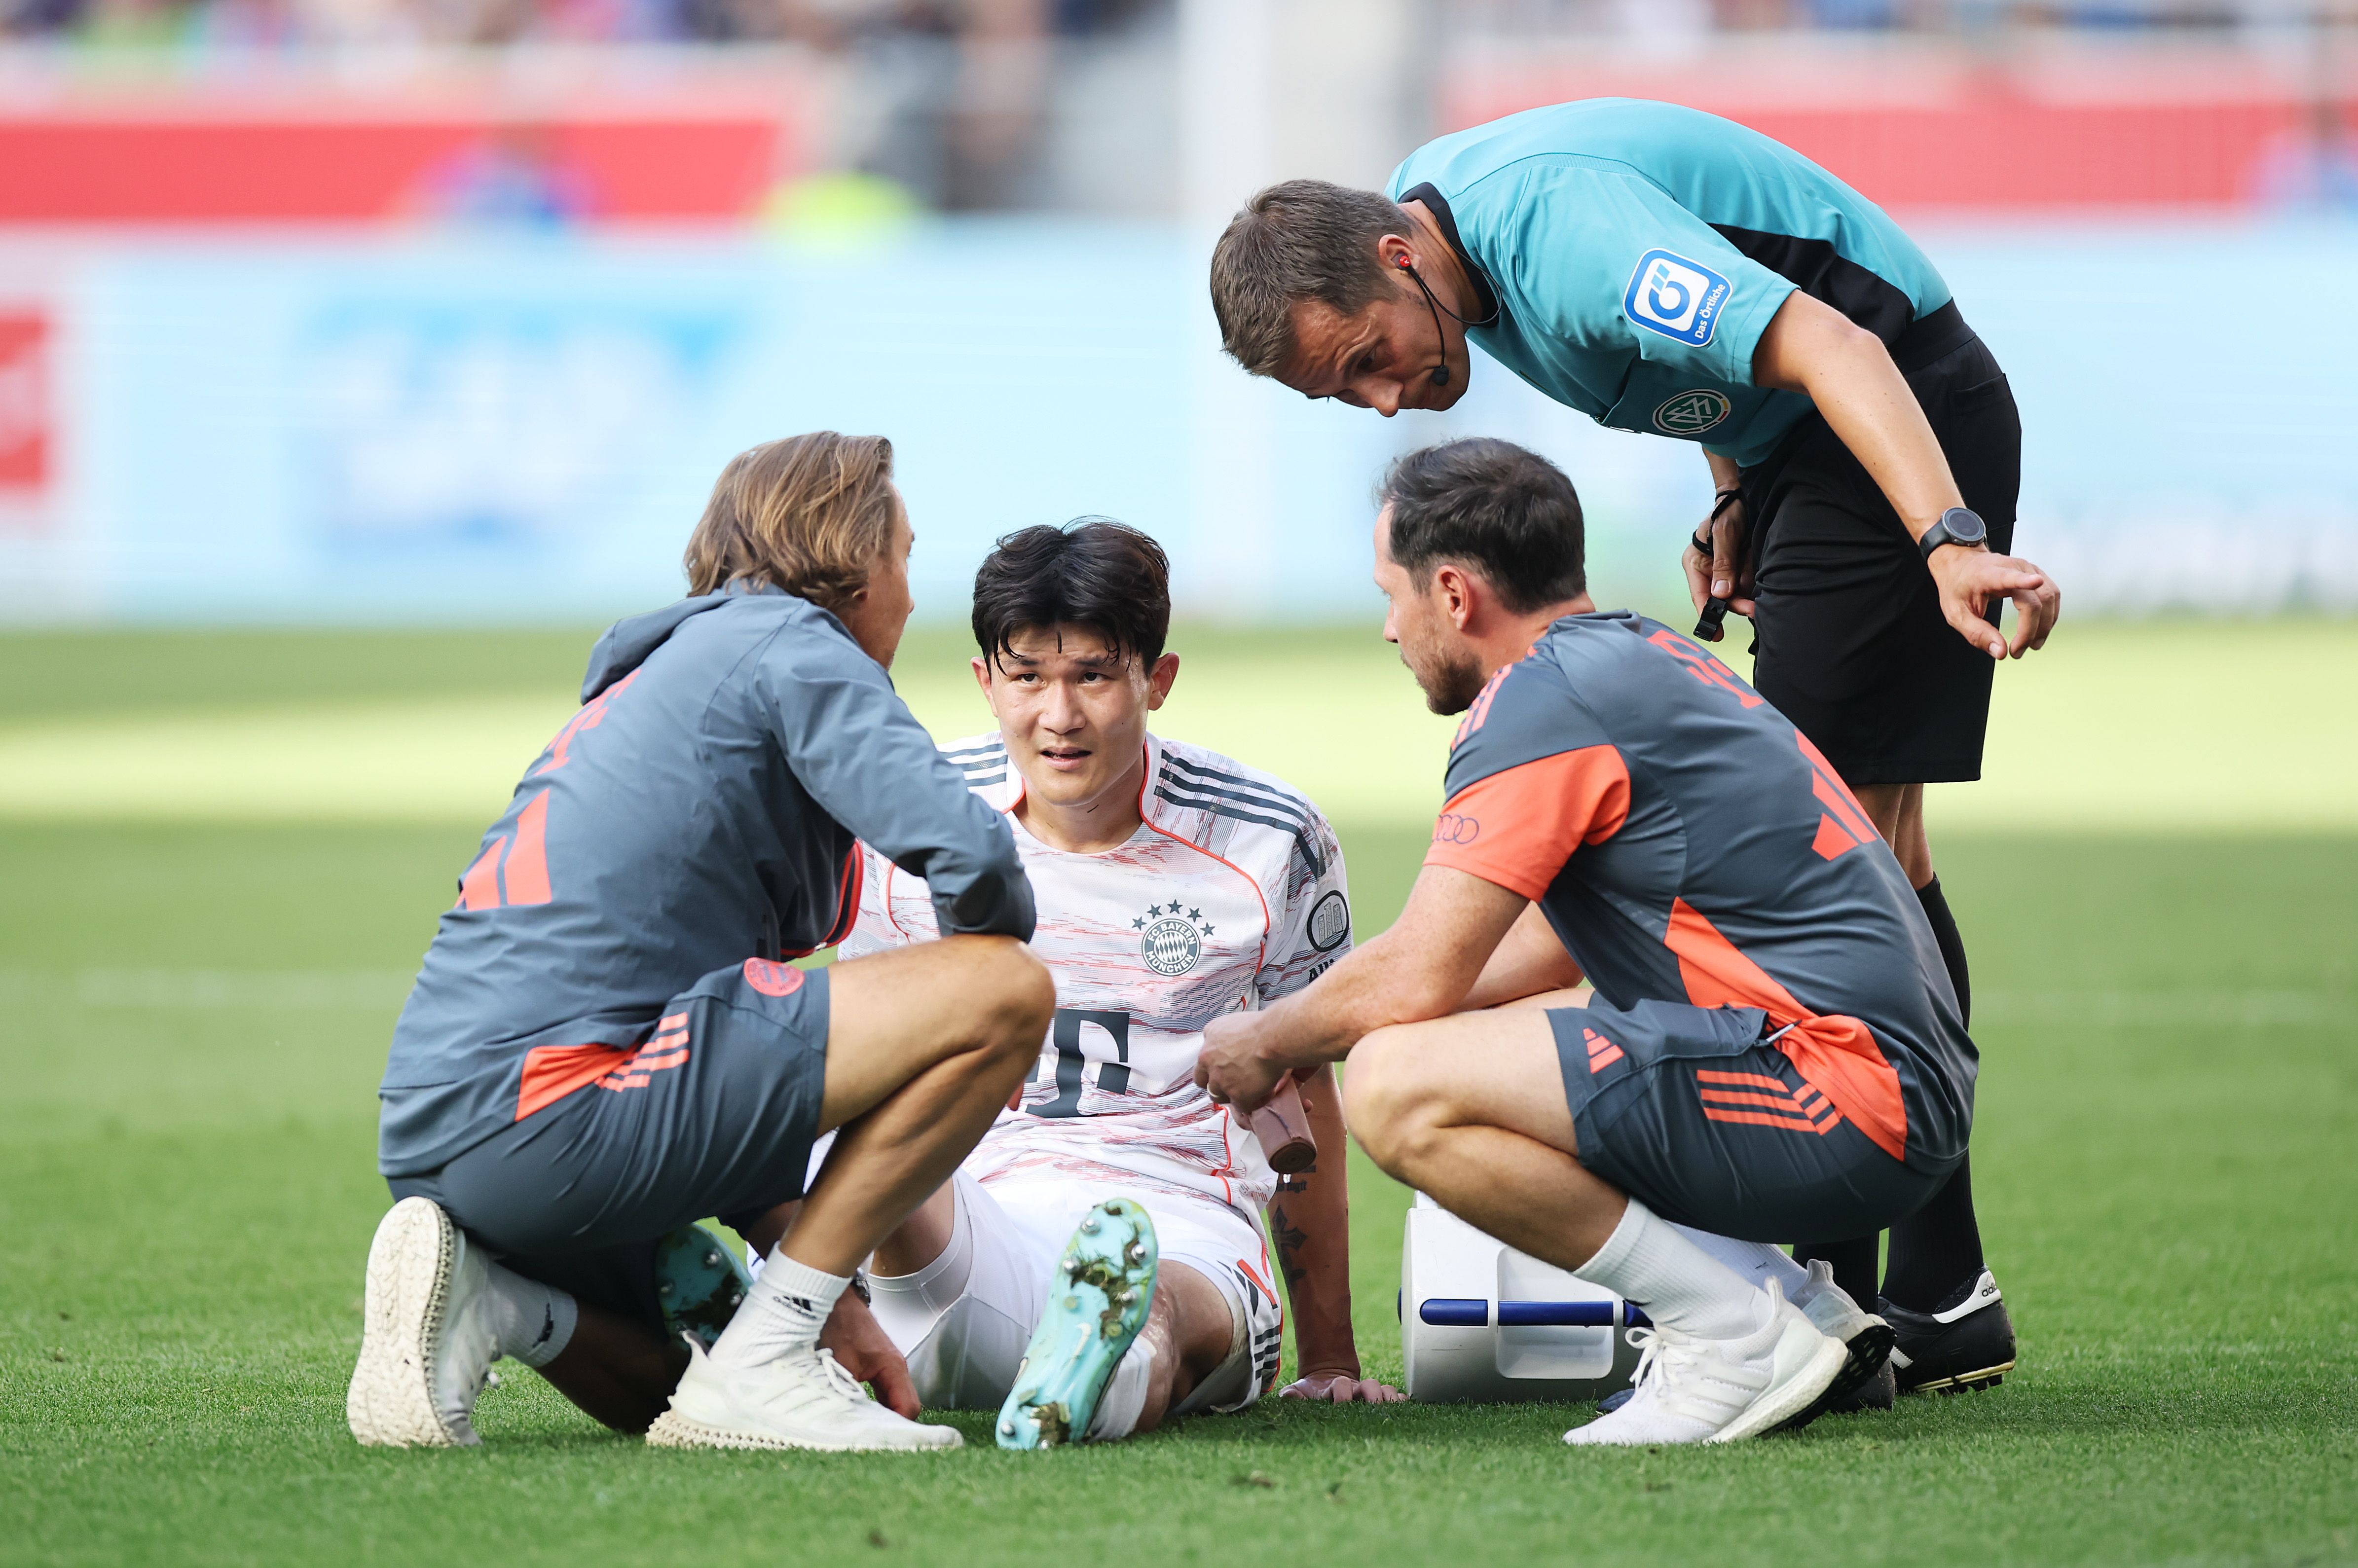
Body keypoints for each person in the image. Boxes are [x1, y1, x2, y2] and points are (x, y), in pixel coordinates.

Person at [1206, 100, 2048, 1389]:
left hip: (1884, 410)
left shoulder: (1557, 235)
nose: (1387, 401)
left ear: (1393, 259)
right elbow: (1714, 346)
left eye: (1371, 358)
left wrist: (1945, 537)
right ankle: (1933, 1288)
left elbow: (1824, 333)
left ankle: (1837, 1296)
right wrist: (1731, 491)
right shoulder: (1438, 234)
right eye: (1349, 392)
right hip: (1799, 447)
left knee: (1849, 836)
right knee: (1874, 836)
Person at [1195, 439, 1978, 1445]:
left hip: (1843, 1095)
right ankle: (1791, 1306)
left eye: (1391, 596)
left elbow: (1426, 967)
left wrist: (1268, 1040)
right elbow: (1528, 957)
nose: (1389, 629)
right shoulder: (1634, 656)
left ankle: (1728, 1334)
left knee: (1394, 1085)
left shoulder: (1539, 702)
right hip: (1886, 1086)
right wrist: (1325, 1016)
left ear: (1451, 592)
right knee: (1462, 1041)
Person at [347, 432, 1053, 1455]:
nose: (908, 591)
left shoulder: (663, 675)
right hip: (557, 1113)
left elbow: (678, 1021)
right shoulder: (794, 645)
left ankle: (502, 1301)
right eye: (904, 554)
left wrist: (827, 1292)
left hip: (444, 1132)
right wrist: (994, 1021)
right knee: (1004, 988)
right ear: (853, 563)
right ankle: (768, 1358)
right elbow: (974, 858)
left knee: (667, 1398)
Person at [832, 519, 1398, 1447]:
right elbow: (854, 1069)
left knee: (1166, 1313)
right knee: (879, 1150)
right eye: (1028, 678)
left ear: (1157, 680)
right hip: (968, 1214)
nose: (1059, 715)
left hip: (1179, 1214)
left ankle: (1104, 1354)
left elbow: (1304, 1085)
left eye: (1093, 675)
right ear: (986, 683)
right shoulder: (909, 822)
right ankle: (790, 1317)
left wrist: (1329, 1360)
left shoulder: (1270, 838)